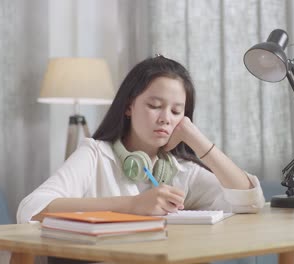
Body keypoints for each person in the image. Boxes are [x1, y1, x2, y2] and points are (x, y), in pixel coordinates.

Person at [17, 55, 265, 224]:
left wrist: (196, 138)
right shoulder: (95, 154)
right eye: (155, 106)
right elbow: (31, 208)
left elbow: (250, 202)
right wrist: (132, 204)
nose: (166, 118)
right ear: (129, 106)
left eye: (177, 112)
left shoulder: (180, 171)